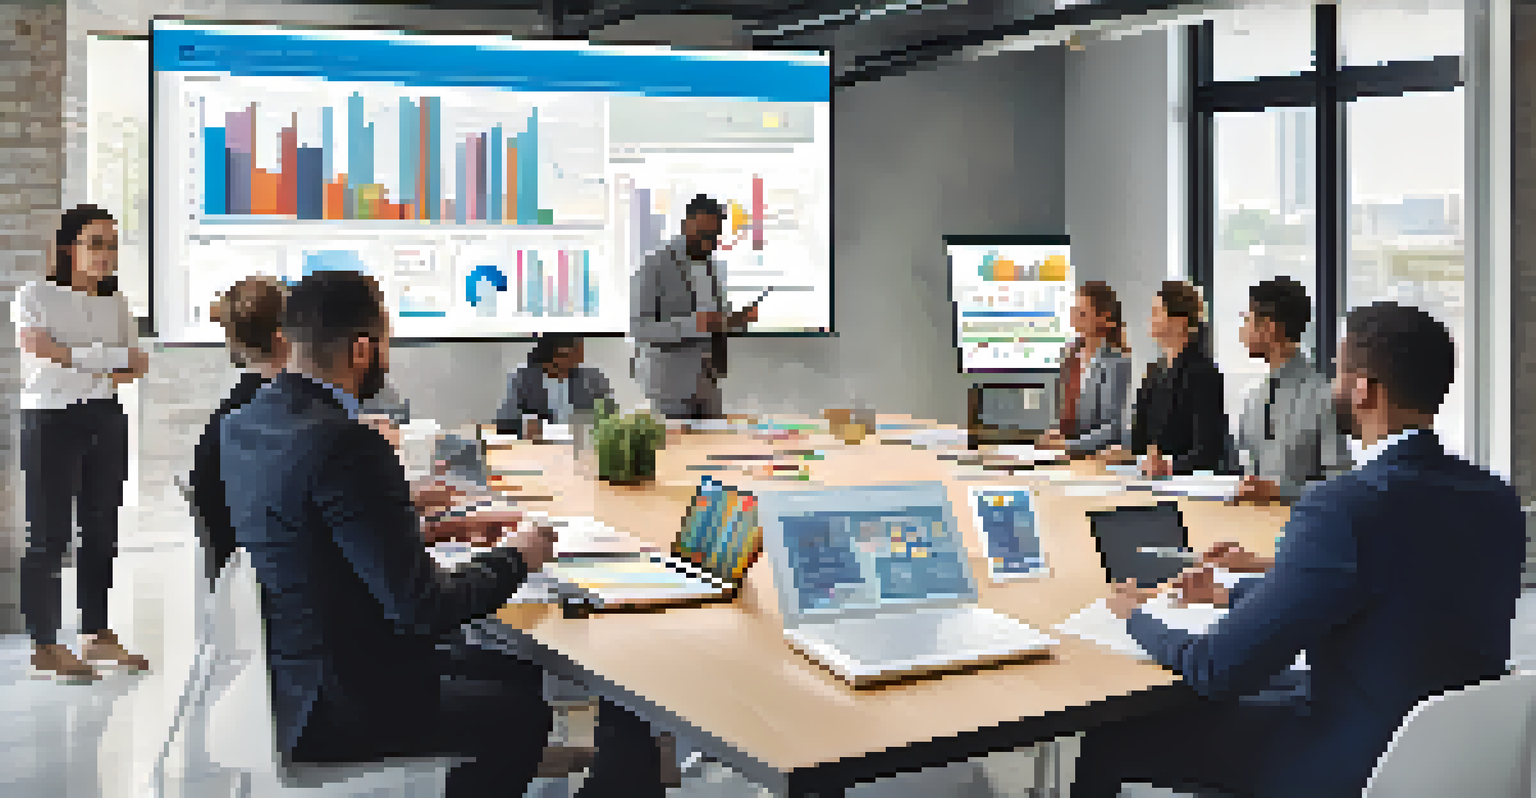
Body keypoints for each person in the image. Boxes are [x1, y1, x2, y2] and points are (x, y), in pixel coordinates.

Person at [219, 270, 666, 798]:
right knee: (519, 712)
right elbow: (424, 607)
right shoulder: (348, 443)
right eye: (387, 343)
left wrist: (437, 530)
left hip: (295, 679)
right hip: (343, 700)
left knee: (512, 667)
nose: (388, 357)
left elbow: (319, 538)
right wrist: (519, 557)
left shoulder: (247, 424)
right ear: (362, 350)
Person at [1076, 302, 1525, 798]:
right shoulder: (1498, 500)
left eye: (1339, 371)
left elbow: (1215, 668)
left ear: (1362, 390)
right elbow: (1392, 588)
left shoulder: (1344, 507)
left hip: (1353, 762)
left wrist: (1133, 616)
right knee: (1260, 690)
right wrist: (1233, 593)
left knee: (1113, 737)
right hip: (1448, 757)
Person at [17, 204, 152, 682]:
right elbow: (38, 349)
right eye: (96, 243)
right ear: (69, 247)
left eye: (112, 245)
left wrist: (74, 356)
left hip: (105, 417)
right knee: (48, 535)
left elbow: (137, 366)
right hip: (50, 420)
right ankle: (45, 643)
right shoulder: (35, 295)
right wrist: (105, 360)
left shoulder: (115, 304)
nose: (105, 254)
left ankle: (95, 633)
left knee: (101, 530)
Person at [630, 194, 758, 419]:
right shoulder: (654, 265)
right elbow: (639, 328)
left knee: (713, 446)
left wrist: (736, 321)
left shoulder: (713, 267)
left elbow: (714, 321)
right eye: (702, 234)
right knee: (676, 451)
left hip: (709, 379)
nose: (708, 242)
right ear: (685, 225)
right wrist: (694, 324)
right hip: (669, 383)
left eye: (714, 236)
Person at [1232, 277, 1351, 504]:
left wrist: (1281, 491)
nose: (1242, 330)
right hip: (1250, 527)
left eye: (1247, 319)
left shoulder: (1323, 395)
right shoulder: (1253, 397)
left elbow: (1340, 483)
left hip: (1306, 530)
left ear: (1269, 327)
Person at [1124, 280, 1230, 476]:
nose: (1150, 319)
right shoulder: (1154, 371)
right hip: (1151, 479)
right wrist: (1126, 453)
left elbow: (1208, 451)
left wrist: (1168, 466)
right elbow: (1140, 440)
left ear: (1179, 321)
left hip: (1187, 483)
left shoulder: (1204, 374)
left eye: (1157, 312)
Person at [1036, 281, 1131, 457]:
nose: (1074, 317)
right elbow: (1071, 417)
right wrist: (1058, 433)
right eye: (1074, 310)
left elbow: (1112, 428)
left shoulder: (1116, 361)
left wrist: (1069, 445)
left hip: (1098, 458)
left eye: (1082, 312)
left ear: (1103, 317)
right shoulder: (1069, 358)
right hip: (1067, 456)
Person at [495, 333, 614, 435]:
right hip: (538, 450)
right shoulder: (522, 377)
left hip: (581, 447)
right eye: (570, 352)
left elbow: (611, 417)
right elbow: (504, 421)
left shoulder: (593, 378)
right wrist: (524, 425)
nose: (579, 358)